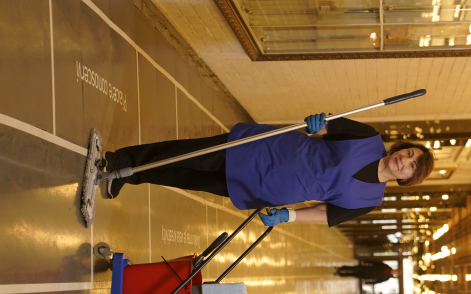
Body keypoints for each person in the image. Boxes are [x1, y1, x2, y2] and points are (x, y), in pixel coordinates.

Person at [101, 113, 434, 227]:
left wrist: (289, 216)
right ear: (401, 148)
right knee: (190, 154)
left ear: (407, 179)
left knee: (190, 178)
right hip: (265, 150)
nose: (405, 160)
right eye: (409, 153)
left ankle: (134, 176)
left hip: (267, 188)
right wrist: (317, 123)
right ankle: (122, 160)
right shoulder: (368, 138)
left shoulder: (369, 200)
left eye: (411, 166)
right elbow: (327, 127)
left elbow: (325, 214)